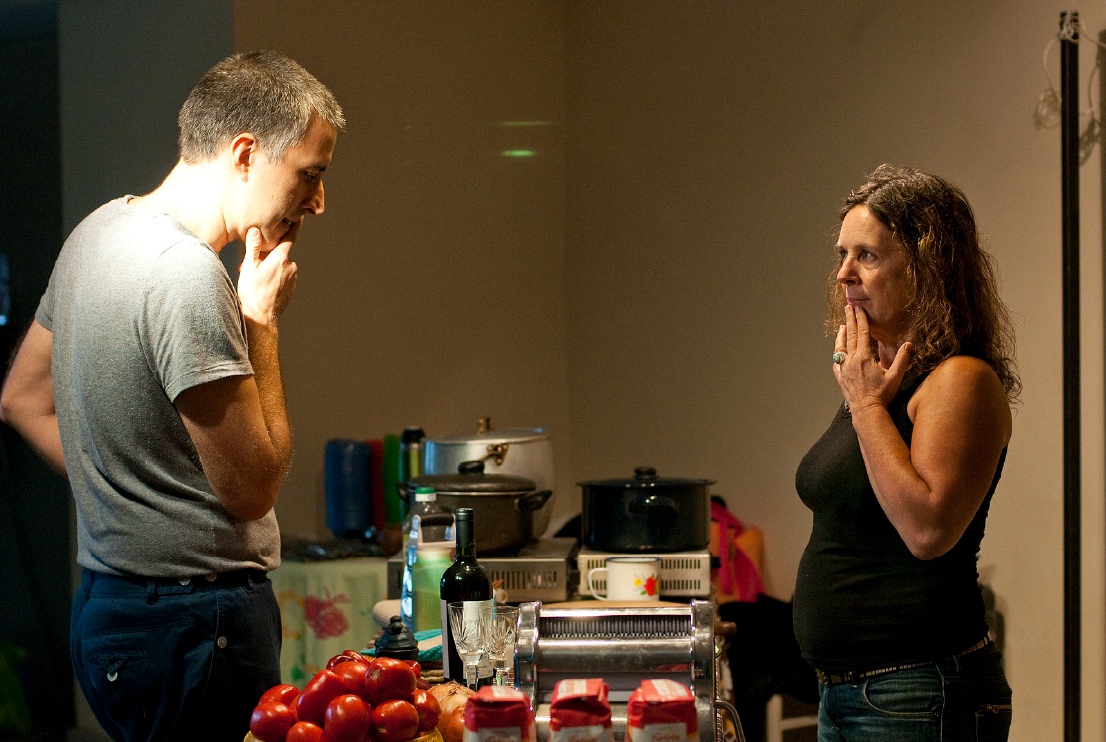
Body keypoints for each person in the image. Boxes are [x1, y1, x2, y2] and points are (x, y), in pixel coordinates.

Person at [0, 50, 343, 740]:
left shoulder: (94, 233)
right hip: (195, 627)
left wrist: (123, 491)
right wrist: (260, 321)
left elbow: (19, 400)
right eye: (310, 174)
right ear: (245, 154)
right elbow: (253, 489)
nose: (318, 202)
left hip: (109, 615)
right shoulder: (188, 275)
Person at [792, 164, 1019, 742]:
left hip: (918, 690)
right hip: (846, 693)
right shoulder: (878, 378)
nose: (844, 274)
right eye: (842, 255)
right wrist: (867, 397)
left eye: (866, 255)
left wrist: (866, 404)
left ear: (926, 267)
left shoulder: (961, 380)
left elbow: (927, 531)